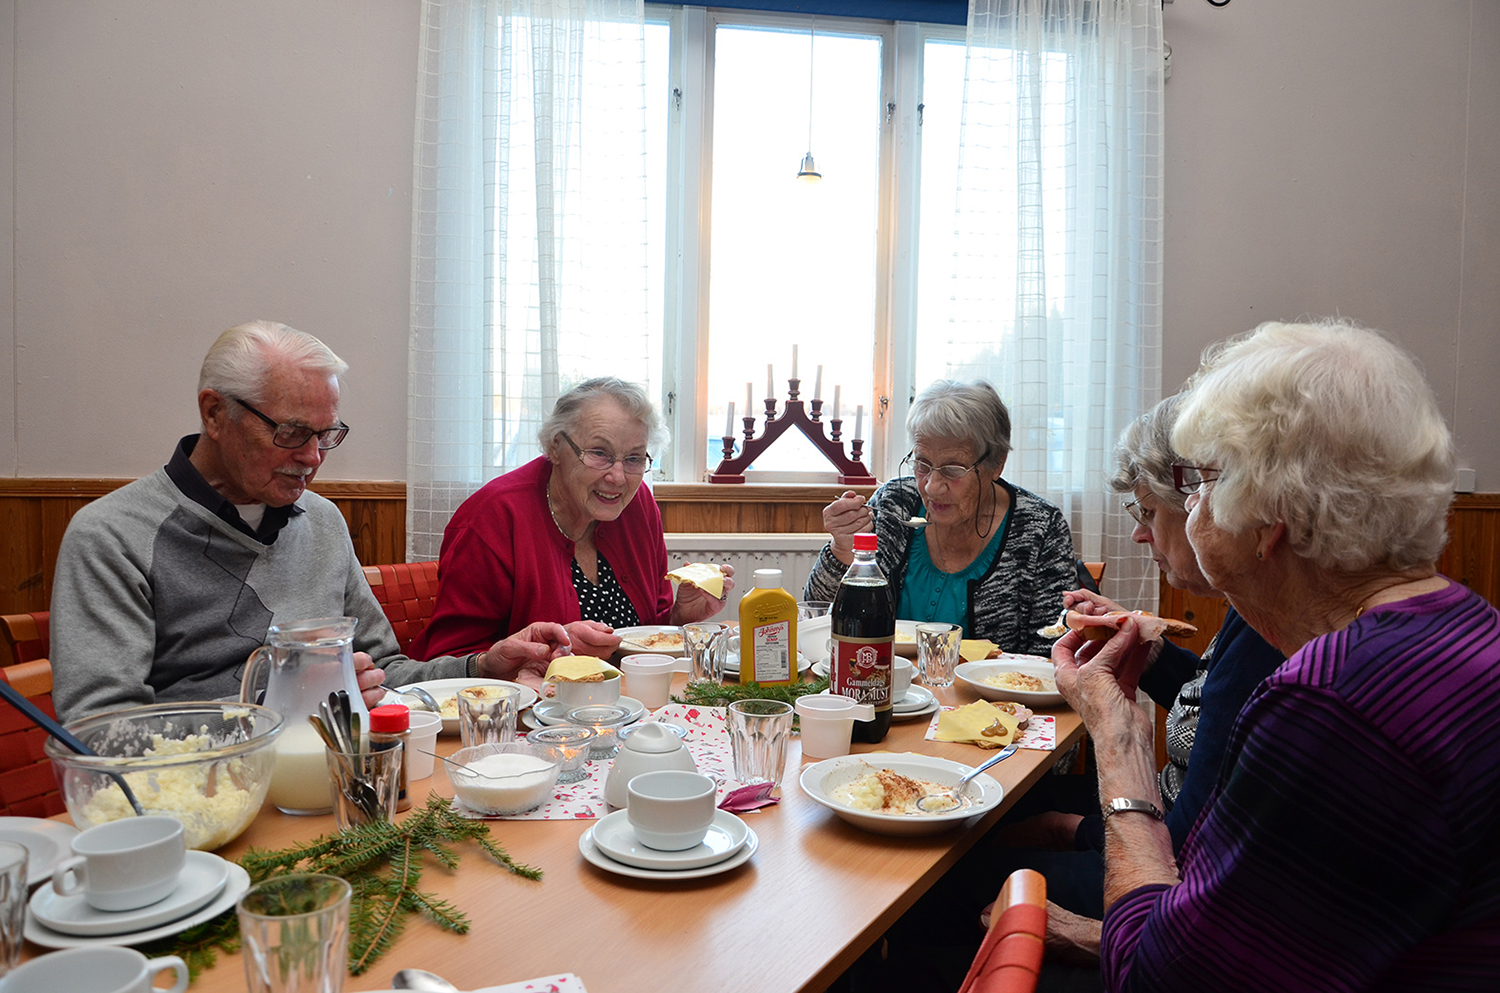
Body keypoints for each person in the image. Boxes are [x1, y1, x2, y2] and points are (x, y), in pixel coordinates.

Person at [1056, 320, 1500, 991]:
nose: (1190, 502)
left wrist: (1115, 734)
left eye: (1199, 481)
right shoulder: (1465, 623)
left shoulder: (1334, 707)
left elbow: (1156, 978)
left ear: (1267, 519)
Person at [51, 321, 569, 722]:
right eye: (293, 433)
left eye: (326, 435)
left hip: (328, 781)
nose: (314, 458)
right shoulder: (114, 536)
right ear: (214, 414)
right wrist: (288, 703)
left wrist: (480, 668)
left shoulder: (319, 521)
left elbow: (383, 672)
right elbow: (100, 728)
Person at [1006, 393, 1285, 966]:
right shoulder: (1256, 610)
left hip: (1166, 895)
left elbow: (1186, 851)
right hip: (1166, 862)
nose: (1140, 535)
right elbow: (1210, 699)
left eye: (1148, 513)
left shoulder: (1273, 637)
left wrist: (1111, 746)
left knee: (956, 880)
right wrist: (1145, 650)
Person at [410, 378, 732, 661]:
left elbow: (643, 634)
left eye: (634, 458)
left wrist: (678, 616)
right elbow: (451, 659)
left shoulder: (638, 506)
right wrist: (550, 656)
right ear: (555, 446)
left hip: (626, 712)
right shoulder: (493, 518)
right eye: (599, 453)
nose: (618, 477)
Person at [803, 380, 1074, 656]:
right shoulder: (895, 503)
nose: (932, 486)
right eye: (922, 464)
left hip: (995, 697)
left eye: (953, 469)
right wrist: (841, 552)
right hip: (883, 685)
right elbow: (817, 617)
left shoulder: (1039, 528)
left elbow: (1054, 646)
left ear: (997, 463)